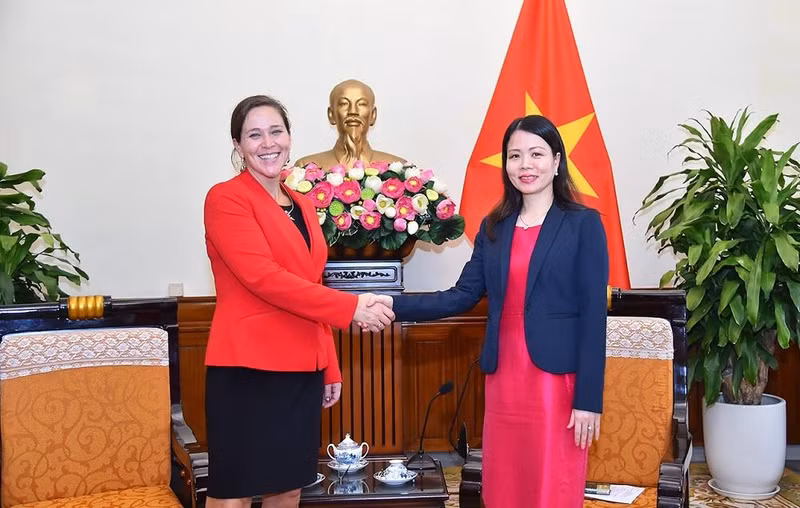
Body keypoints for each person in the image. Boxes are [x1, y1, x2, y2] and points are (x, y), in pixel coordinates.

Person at [374, 115, 609, 507]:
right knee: (506, 484)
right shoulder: (494, 227)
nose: (525, 165)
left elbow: (593, 319)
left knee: (553, 482)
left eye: (536, 154)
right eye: (515, 156)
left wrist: (589, 399)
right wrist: (393, 304)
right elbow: (461, 295)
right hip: (505, 376)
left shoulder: (583, 225)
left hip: (556, 380)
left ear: (556, 160)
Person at [203, 95, 395, 508]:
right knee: (232, 492)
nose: (267, 143)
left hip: (300, 368)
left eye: (276, 131)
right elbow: (264, 278)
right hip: (246, 369)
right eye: (254, 134)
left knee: (288, 486)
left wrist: (329, 363)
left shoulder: (304, 205)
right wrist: (350, 308)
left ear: (289, 138)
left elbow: (310, 283)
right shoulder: (227, 198)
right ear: (238, 145)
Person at [293, 79, 406, 169]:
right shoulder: (306, 168)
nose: (353, 111)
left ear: (373, 115)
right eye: (344, 104)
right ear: (331, 115)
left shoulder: (398, 168)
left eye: (361, 104)